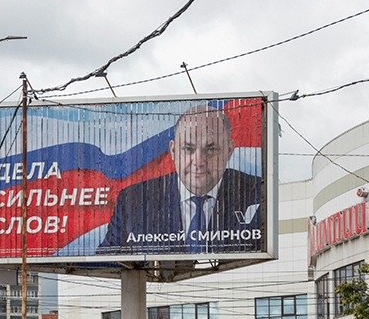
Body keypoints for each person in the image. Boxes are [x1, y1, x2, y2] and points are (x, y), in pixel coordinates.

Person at [97, 105, 262, 256]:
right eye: (188, 149)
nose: (198, 161)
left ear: (229, 151)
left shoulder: (259, 193)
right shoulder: (135, 200)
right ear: (173, 151)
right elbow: (107, 260)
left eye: (210, 149)